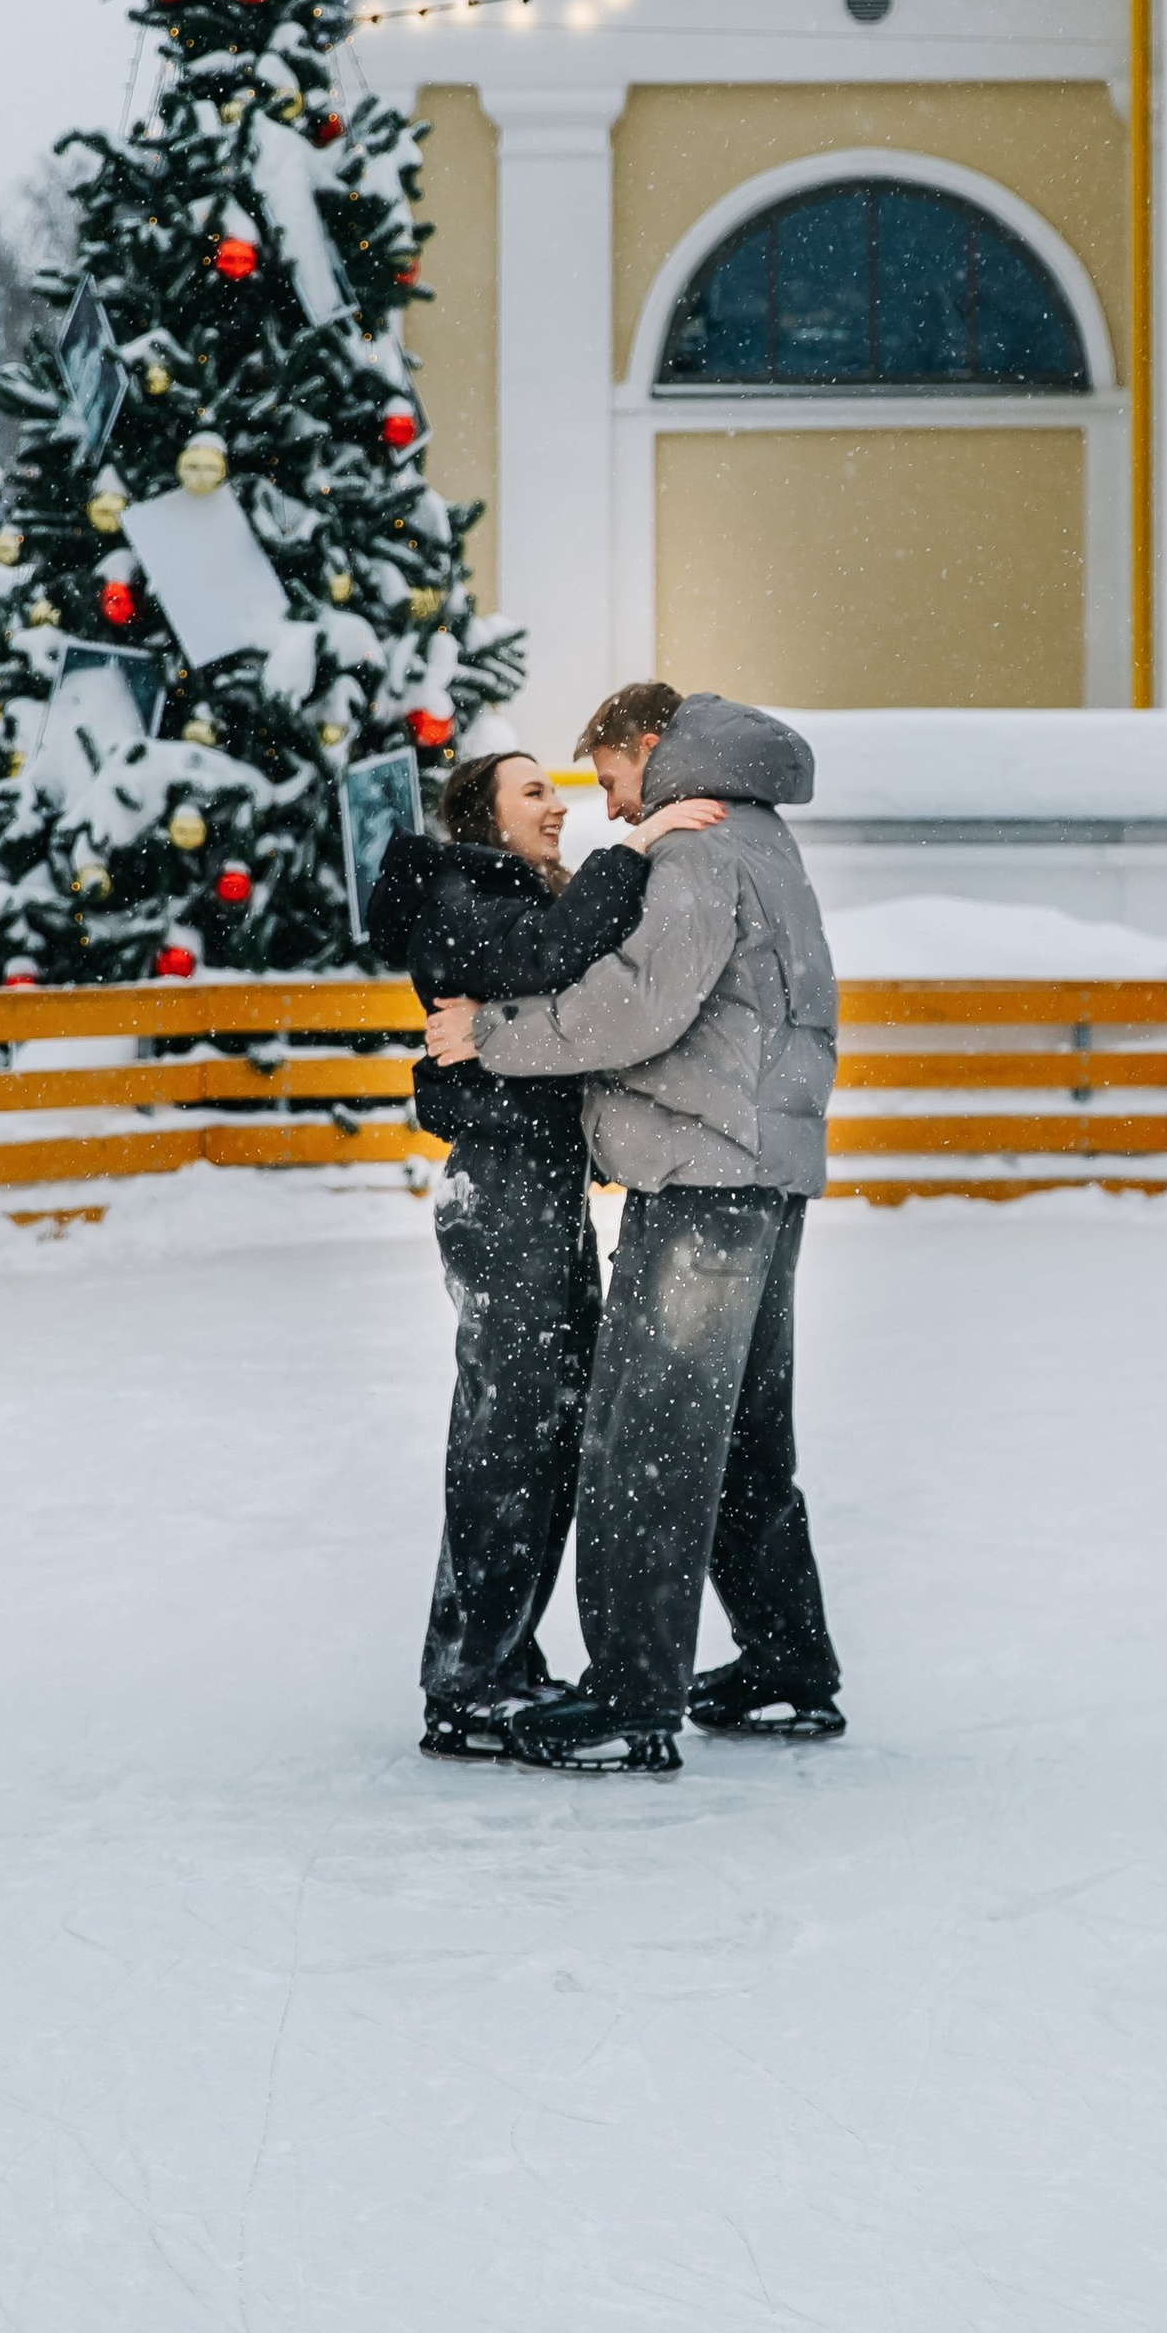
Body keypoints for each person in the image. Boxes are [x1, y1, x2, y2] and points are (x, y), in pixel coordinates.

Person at [422, 683, 842, 1776]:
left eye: (610, 780)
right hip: (764, 1168)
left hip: (703, 1176)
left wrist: (493, 1034)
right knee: (743, 1440)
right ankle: (787, 1664)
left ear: (650, 747)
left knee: (645, 1437)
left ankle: (629, 1695)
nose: (608, 807)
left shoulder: (697, 846)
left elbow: (638, 1005)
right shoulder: (759, 832)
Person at [367, 745, 723, 1762]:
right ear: (484, 814)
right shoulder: (456, 889)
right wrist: (640, 843)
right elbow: (551, 955)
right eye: (534, 791)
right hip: (502, 1190)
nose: (556, 806)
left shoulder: (507, 894)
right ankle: (467, 1681)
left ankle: (502, 1660)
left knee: (547, 1433)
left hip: (541, 1186)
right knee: (508, 1435)